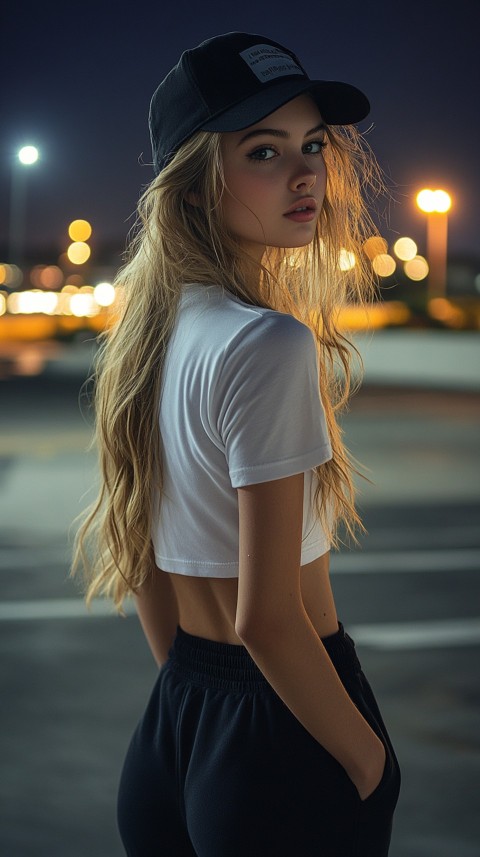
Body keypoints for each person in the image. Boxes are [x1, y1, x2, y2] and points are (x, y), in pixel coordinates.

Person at [72, 31, 401, 857]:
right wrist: (370, 761)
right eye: (264, 150)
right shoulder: (267, 344)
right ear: (192, 186)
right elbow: (267, 617)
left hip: (174, 726)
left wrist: (193, 703)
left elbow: (139, 557)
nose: (304, 175)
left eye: (313, 145)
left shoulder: (151, 331)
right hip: (283, 737)